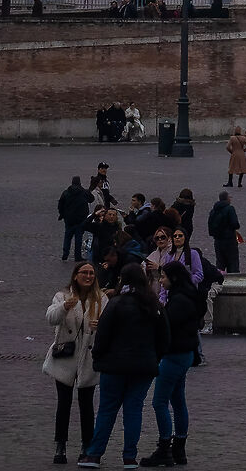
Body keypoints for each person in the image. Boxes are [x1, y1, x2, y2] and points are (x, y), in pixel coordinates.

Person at [76, 261, 167, 466]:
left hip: (114, 365)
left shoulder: (116, 303)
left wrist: (98, 358)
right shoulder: (154, 306)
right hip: (143, 366)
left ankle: (94, 454)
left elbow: (103, 335)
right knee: (133, 410)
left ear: (123, 280)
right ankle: (129, 457)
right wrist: (154, 358)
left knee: (107, 409)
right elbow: (164, 338)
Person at [141, 260, 203, 464]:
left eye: (163, 277)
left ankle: (164, 448)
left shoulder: (179, 301)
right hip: (184, 354)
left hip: (174, 355)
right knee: (177, 400)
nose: (161, 280)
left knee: (159, 402)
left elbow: (165, 325)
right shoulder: (186, 296)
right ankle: (179, 449)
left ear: (174, 278)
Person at [46, 261, 103, 465]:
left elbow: (111, 324)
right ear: (75, 275)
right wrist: (64, 307)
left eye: (91, 273)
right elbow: (50, 318)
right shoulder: (62, 296)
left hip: (88, 357)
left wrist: (101, 326)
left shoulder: (101, 299)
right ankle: (60, 444)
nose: (88, 276)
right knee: (63, 402)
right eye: (84, 273)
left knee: (86, 404)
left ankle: (87, 445)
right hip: (66, 356)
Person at [59, 175, 94, 264]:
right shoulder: (84, 192)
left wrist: (62, 215)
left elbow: (60, 204)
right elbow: (91, 199)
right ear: (79, 182)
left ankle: (65, 254)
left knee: (67, 236)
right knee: (78, 238)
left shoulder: (66, 192)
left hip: (69, 219)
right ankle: (77, 256)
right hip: (80, 219)